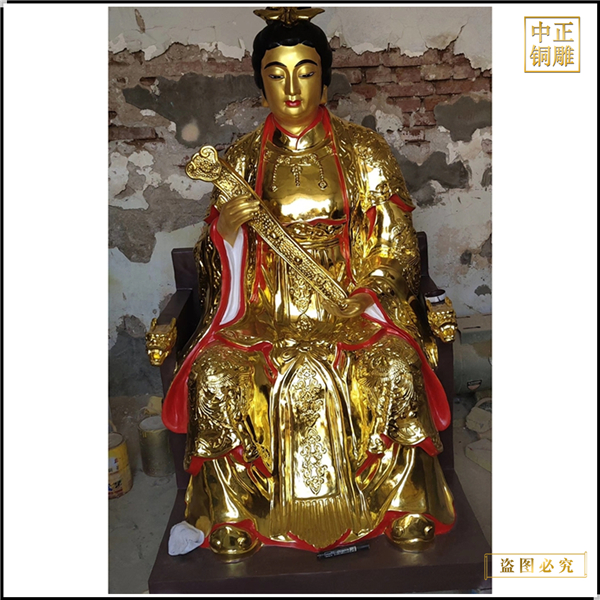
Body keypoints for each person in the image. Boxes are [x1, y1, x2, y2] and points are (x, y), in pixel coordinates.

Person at [162, 6, 456, 558]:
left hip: (346, 307)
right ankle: (232, 512)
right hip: (263, 311)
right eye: (276, 75)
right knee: (217, 373)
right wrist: (228, 232)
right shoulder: (240, 160)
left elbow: (394, 242)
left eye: (306, 72)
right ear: (260, 85)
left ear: (325, 80)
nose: (292, 89)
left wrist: (369, 292)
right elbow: (210, 258)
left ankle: (403, 501)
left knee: (393, 365)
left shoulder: (364, 152)